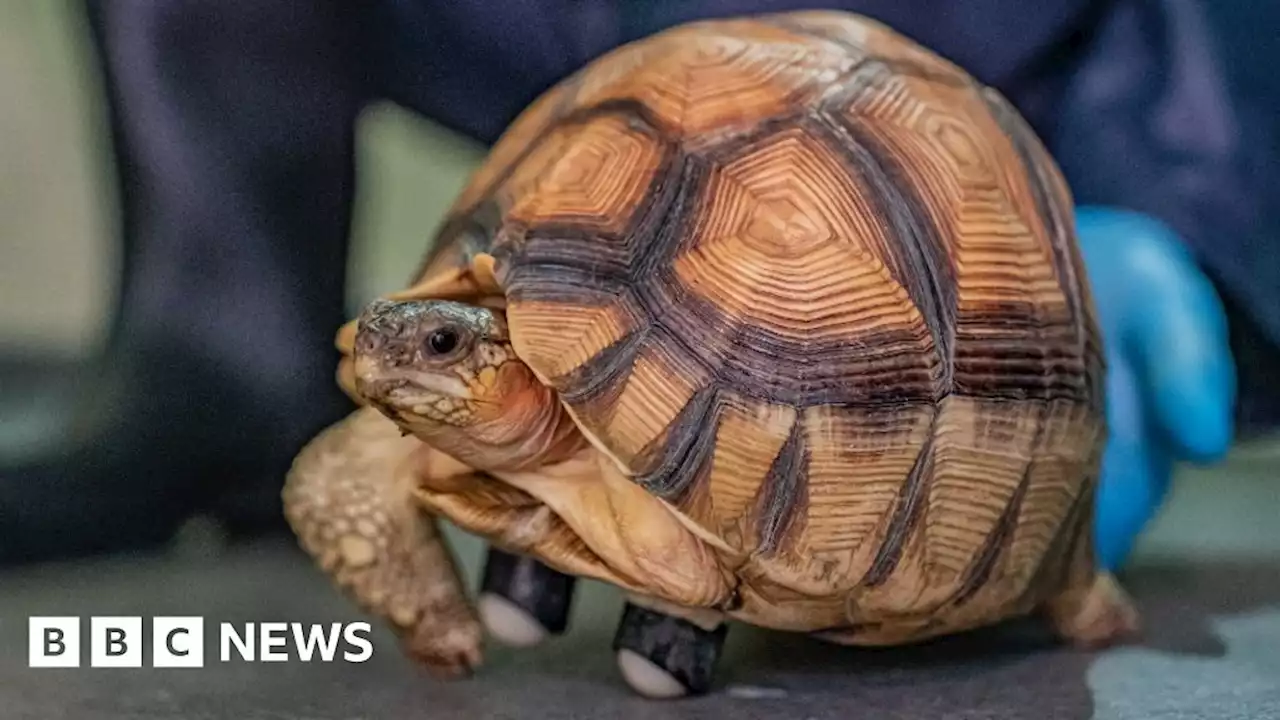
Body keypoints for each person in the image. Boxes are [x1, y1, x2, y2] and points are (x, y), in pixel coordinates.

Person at [1, 0, 1270, 569]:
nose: (397, 354)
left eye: (443, 349)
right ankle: (221, 337)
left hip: (1013, 143)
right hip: (611, 141)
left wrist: (1187, 190)